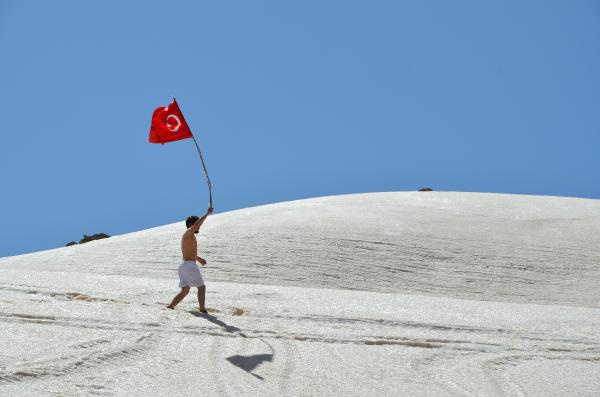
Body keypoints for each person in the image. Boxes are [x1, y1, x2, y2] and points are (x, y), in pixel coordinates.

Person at [167, 206, 214, 312]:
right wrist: (207, 214)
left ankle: (170, 306)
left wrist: (199, 258)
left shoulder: (190, 236)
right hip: (189, 265)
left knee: (185, 290)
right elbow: (197, 224)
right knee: (201, 287)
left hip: (184, 266)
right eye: (196, 224)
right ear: (191, 224)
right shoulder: (188, 232)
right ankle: (202, 309)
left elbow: (189, 252)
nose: (198, 227)